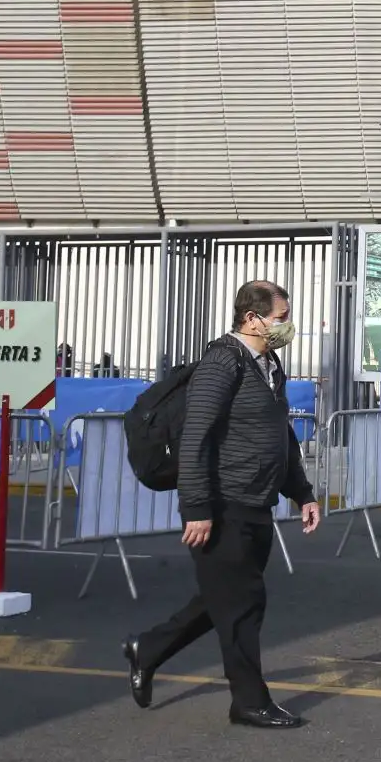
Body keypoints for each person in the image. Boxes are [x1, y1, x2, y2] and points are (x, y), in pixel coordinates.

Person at [123, 280, 322, 729]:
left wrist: (302, 492)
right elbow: (195, 438)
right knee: (244, 603)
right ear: (253, 318)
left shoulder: (268, 363)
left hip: (256, 501)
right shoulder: (222, 362)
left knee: (224, 599)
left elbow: (281, 434)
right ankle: (249, 702)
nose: (287, 325)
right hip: (222, 501)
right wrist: (197, 507)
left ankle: (147, 649)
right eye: (281, 316)